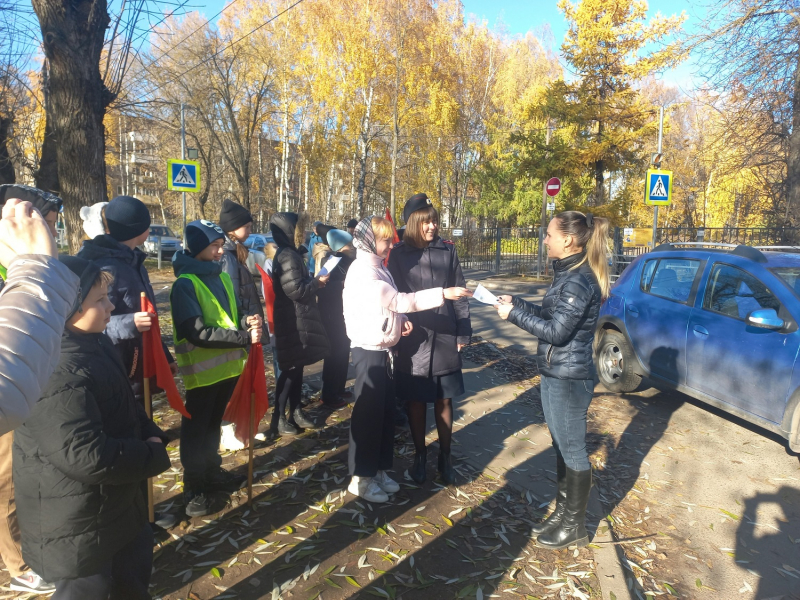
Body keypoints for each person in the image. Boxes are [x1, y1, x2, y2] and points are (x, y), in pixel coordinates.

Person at [13, 255, 171, 599]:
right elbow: (84, 455)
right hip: (77, 525)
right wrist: (151, 454)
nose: (111, 306)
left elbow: (123, 402)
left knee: (130, 582)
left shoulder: (94, 342)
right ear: (67, 310)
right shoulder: (55, 368)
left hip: (114, 506)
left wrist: (147, 429)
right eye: (99, 300)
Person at [495, 211, 609, 550]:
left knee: (572, 448)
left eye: (548, 234)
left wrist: (513, 316)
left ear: (568, 240)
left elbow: (558, 332)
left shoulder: (577, 279)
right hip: (557, 372)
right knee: (563, 444)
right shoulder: (568, 273)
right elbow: (552, 315)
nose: (545, 239)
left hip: (568, 377)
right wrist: (517, 303)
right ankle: (563, 513)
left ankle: (575, 524)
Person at [342, 216, 472, 503]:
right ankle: (360, 479)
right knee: (367, 417)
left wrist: (399, 321)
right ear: (368, 241)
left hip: (385, 351)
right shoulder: (363, 271)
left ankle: (376, 471)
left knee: (385, 415)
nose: (390, 244)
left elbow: (387, 307)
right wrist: (442, 293)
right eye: (385, 239)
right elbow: (400, 299)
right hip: (368, 352)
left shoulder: (377, 267)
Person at [0, 194, 76, 594]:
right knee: (7, 482)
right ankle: (18, 562)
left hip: (34, 389)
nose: (49, 235)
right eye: (43, 225)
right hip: (15, 397)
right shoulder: (14, 270)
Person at [170, 220, 262, 517]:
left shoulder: (220, 277)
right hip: (202, 374)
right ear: (197, 248)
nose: (221, 250)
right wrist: (242, 337)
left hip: (227, 369)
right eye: (214, 245)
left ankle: (212, 473)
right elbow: (197, 332)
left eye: (221, 245)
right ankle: (194, 486)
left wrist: (246, 321)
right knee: (196, 431)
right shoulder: (185, 284)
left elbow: (231, 313)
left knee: (212, 428)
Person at [388, 193, 471, 485]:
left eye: (434, 221)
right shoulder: (398, 254)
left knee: (444, 398)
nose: (432, 227)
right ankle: (420, 456)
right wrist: (401, 324)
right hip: (413, 337)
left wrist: (464, 330)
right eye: (426, 222)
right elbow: (394, 296)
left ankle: (445, 456)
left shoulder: (447, 250)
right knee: (415, 401)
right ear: (413, 223)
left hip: (445, 334)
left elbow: (459, 292)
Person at [78, 196, 178, 404]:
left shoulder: (134, 262)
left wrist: (164, 356)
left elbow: (149, 317)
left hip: (139, 369)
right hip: (117, 370)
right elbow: (88, 322)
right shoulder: (106, 267)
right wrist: (129, 323)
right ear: (139, 230)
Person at [268, 212, 329, 438]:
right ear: (288, 232)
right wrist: (316, 283)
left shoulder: (291, 254)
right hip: (292, 319)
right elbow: (295, 290)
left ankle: (296, 412)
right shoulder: (287, 256)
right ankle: (278, 419)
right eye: (298, 229)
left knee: (298, 366)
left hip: (297, 317)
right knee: (290, 370)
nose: (302, 233)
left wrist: (313, 282)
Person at [218, 199, 266, 450]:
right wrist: (242, 324)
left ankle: (240, 426)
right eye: (246, 227)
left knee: (240, 378)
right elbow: (232, 296)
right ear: (233, 229)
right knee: (233, 380)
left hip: (244, 325)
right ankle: (228, 430)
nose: (249, 231)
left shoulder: (233, 252)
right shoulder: (226, 257)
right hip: (238, 328)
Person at [317, 227, 356, 409]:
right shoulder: (331, 261)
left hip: (345, 313)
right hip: (333, 315)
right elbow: (321, 287)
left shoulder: (349, 261)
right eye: (349, 244)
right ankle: (329, 393)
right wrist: (344, 285)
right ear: (340, 247)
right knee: (334, 354)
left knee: (342, 353)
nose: (353, 246)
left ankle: (339, 387)